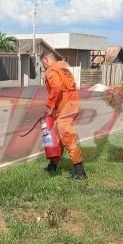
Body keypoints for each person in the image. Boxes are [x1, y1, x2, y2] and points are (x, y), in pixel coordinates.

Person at [41, 51, 87, 179]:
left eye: (43, 63)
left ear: (46, 60)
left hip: (66, 109)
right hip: (73, 105)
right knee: (59, 139)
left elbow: (56, 88)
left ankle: (79, 171)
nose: (43, 66)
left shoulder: (51, 71)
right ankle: (53, 165)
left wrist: (49, 106)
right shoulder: (63, 68)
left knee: (67, 137)